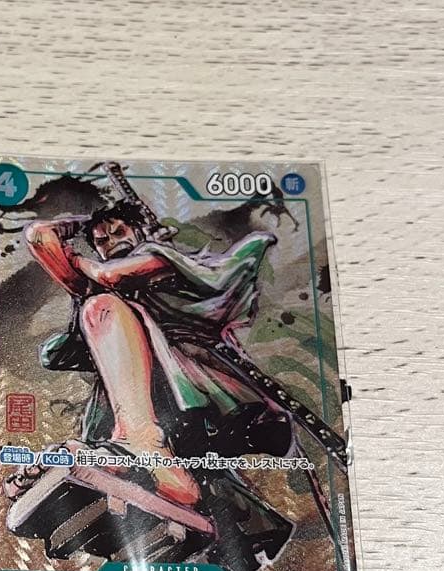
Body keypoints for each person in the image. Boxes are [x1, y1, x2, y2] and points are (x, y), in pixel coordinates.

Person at [19, 200, 290, 509]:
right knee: (99, 306)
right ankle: (160, 466)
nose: (111, 243)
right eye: (102, 241)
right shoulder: (106, 295)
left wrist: (76, 258)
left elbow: (110, 276)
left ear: (139, 231)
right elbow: (38, 237)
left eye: (119, 232)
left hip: (199, 383)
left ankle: (143, 444)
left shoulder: (158, 258)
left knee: (101, 306)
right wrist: (81, 224)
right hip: (146, 390)